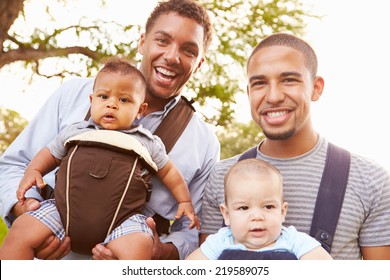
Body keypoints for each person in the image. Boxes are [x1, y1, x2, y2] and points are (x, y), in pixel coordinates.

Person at [0, 0, 219, 260]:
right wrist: (27, 212)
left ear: (200, 62)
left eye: (189, 50)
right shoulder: (74, 95)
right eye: (162, 41)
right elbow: (14, 166)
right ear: (142, 42)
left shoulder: (204, 143)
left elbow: (193, 231)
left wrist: (160, 252)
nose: (172, 56)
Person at [200, 33, 390, 260]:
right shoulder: (220, 177)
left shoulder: (370, 181)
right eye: (259, 83)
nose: (273, 96)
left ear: (316, 88)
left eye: (289, 80)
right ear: (249, 93)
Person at [187, 158, 332, 260]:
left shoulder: (293, 240)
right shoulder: (221, 241)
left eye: (268, 206)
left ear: (282, 212)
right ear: (227, 215)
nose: (257, 216)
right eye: (244, 208)